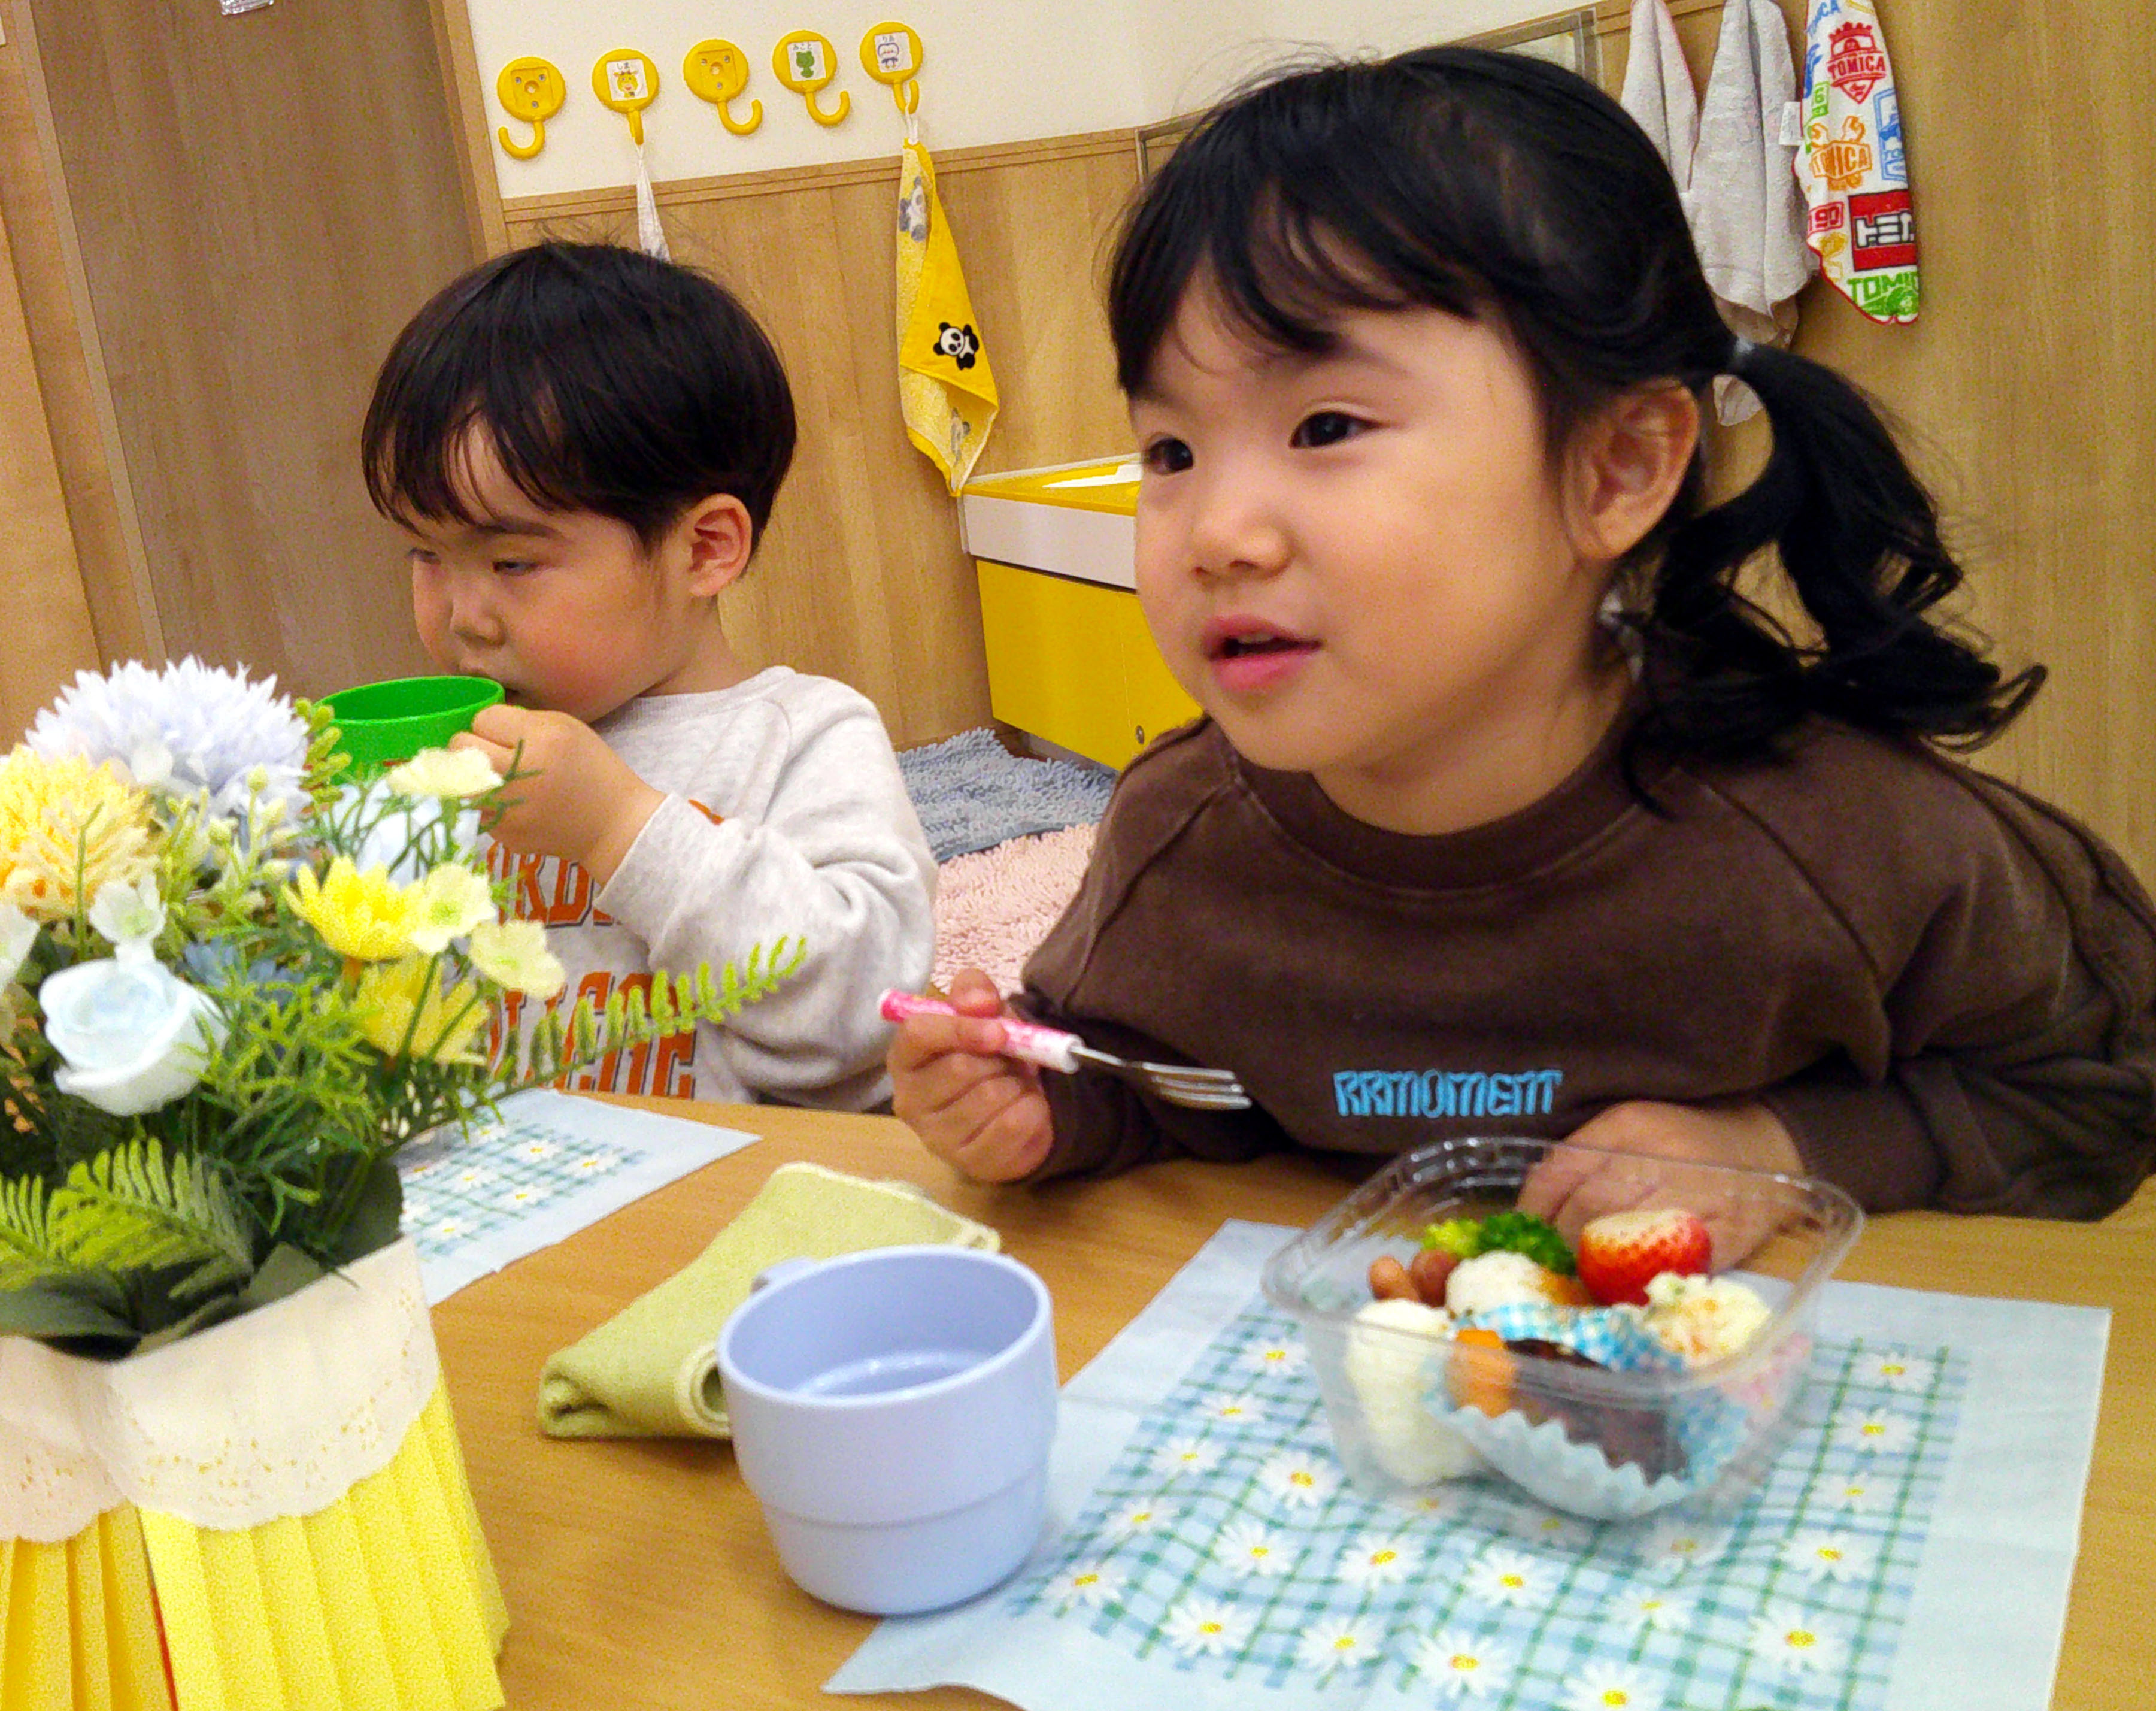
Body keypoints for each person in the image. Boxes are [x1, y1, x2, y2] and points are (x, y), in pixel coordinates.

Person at [887, 48, 2156, 1249]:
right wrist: (1038, 1109)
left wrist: (1776, 1147)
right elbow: (1151, 1078)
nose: (1215, 533)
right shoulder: (1181, 837)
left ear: (1616, 468)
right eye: (1170, 451)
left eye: (1325, 426)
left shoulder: (1835, 837)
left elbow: (2105, 1086)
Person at [363, 241, 935, 1109]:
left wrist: (616, 826)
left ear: (703, 549)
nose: (462, 616)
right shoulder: (449, 758)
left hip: (747, 1182)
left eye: (512, 562)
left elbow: (867, 1009)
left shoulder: (801, 737)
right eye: (425, 554)